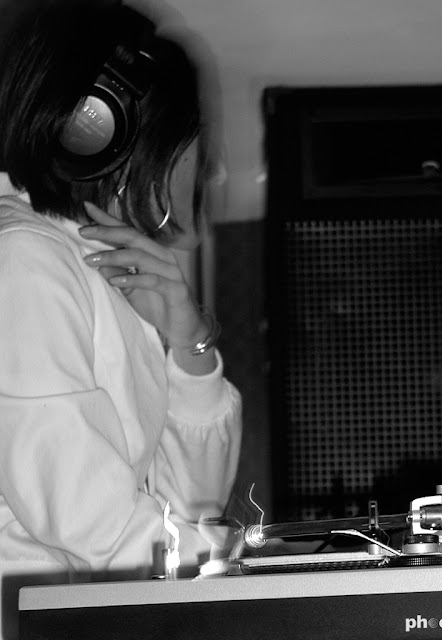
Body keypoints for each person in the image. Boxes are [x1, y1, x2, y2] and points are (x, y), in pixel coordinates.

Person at [0, 0, 242, 636]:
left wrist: (188, 342)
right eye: (191, 136)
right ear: (97, 132)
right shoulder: (24, 258)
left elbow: (191, 508)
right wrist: (232, 572)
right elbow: (85, 516)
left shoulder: (86, 260)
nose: (209, 165)